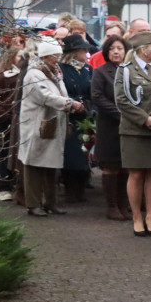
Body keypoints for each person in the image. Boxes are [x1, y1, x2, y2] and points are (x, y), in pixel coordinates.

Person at [114, 31, 151, 237]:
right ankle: (137, 216)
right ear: (143, 49)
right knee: (136, 173)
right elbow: (121, 100)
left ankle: (150, 218)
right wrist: (144, 118)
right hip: (135, 130)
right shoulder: (126, 70)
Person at [17, 40, 85, 215]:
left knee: (51, 164)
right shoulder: (34, 74)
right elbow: (44, 96)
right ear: (46, 56)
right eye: (55, 56)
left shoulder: (54, 72)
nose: (58, 59)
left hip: (52, 123)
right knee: (34, 164)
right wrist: (69, 103)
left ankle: (50, 202)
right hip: (37, 124)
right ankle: (33, 204)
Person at [91, 35, 131, 220]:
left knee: (125, 167)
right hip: (109, 125)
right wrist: (120, 113)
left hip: (130, 126)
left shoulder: (131, 70)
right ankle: (112, 206)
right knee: (110, 166)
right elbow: (97, 97)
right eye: (112, 48)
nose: (116, 51)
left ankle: (124, 204)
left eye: (120, 48)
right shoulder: (100, 72)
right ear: (106, 51)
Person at [57, 35, 93, 203]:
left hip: (85, 116)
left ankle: (82, 186)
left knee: (84, 151)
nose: (86, 53)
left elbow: (91, 90)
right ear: (74, 52)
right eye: (83, 50)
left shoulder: (87, 69)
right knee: (70, 153)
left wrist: (87, 104)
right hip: (68, 116)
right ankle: (70, 187)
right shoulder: (61, 68)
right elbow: (59, 90)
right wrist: (72, 103)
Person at [0, 45, 23, 200]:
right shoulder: (2, 77)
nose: (23, 59)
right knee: (3, 152)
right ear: (11, 58)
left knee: (18, 154)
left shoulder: (29, 75)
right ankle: (4, 187)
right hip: (5, 122)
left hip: (23, 121)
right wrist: (5, 116)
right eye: (19, 56)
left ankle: (18, 185)